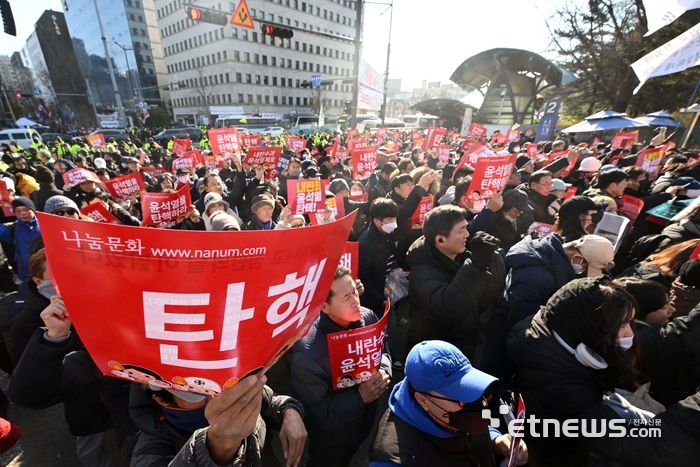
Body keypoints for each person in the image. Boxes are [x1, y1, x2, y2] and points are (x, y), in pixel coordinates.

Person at [290, 266, 392, 467]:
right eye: (346, 297)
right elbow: (312, 413)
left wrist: (384, 370)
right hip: (330, 439)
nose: (356, 301)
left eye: (355, 291)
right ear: (324, 306)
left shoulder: (368, 316)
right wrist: (360, 397)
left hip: (362, 426)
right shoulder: (309, 354)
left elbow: (383, 347)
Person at [369, 340, 528, 467]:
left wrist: (496, 441)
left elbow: (474, 430)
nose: (472, 402)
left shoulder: (450, 411)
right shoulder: (392, 459)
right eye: (458, 396)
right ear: (423, 400)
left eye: (473, 389)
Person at [404, 205, 500, 360]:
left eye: (466, 228)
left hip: (461, 344)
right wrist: (477, 264)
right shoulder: (424, 272)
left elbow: (477, 299)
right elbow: (450, 306)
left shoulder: (459, 257)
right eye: (461, 230)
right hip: (438, 355)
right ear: (440, 239)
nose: (467, 235)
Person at [504, 234, 614, 327]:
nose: (583, 272)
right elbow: (521, 320)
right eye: (586, 267)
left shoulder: (545, 252)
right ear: (577, 258)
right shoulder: (539, 278)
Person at [0, 198, 42, 281]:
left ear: (33, 210)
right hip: (26, 273)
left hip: (47, 269)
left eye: (26, 210)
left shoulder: (46, 225)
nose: (22, 213)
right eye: (18, 211)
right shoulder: (13, 229)